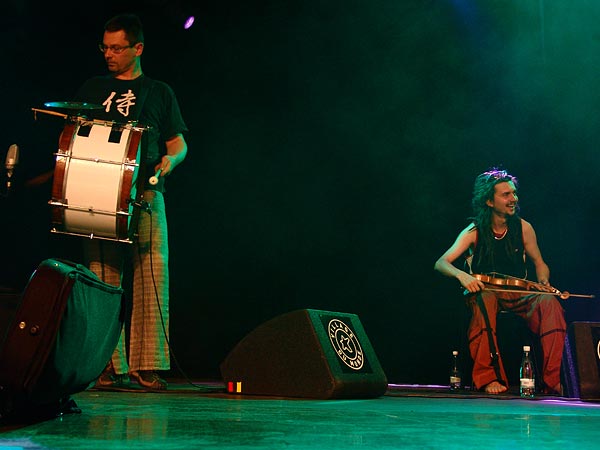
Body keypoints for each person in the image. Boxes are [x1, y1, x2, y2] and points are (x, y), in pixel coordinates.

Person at [74, 13, 188, 390]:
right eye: (105, 47)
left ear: (137, 49)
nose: (109, 54)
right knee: (101, 275)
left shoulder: (159, 92)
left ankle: (146, 364)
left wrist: (171, 160)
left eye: (117, 48)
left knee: (153, 270)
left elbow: (178, 143)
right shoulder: (93, 87)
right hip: (99, 192)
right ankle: (107, 363)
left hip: (146, 191)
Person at [434, 168, 566, 395]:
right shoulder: (474, 230)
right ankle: (489, 377)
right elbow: (441, 262)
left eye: (513, 193)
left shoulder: (524, 228)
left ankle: (551, 381)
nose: (513, 199)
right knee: (485, 300)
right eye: (505, 194)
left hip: (517, 294)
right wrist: (462, 276)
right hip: (485, 293)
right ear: (489, 200)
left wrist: (543, 281)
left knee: (550, 303)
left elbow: (540, 263)